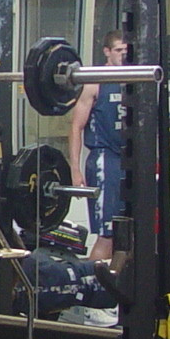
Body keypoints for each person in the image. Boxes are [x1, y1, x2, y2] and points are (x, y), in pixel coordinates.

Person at [68, 31, 132, 263]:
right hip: (105, 160)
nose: (123, 56)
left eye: (126, 51)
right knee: (107, 236)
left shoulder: (136, 80)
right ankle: (91, 288)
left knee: (130, 237)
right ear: (107, 52)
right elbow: (76, 126)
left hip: (130, 159)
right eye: (118, 51)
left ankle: (122, 294)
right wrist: (75, 169)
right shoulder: (95, 82)